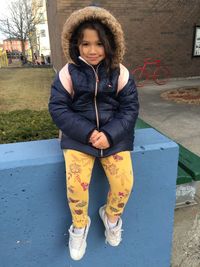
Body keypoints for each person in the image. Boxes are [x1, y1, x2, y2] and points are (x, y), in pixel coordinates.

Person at [49, 6, 139, 261]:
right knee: (76, 185)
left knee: (124, 182)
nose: (92, 50)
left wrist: (110, 134)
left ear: (110, 43)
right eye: (85, 43)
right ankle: (80, 224)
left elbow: (130, 108)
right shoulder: (68, 73)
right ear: (75, 44)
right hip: (79, 139)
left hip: (115, 138)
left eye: (99, 43)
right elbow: (58, 108)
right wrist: (89, 133)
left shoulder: (120, 73)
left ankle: (110, 216)